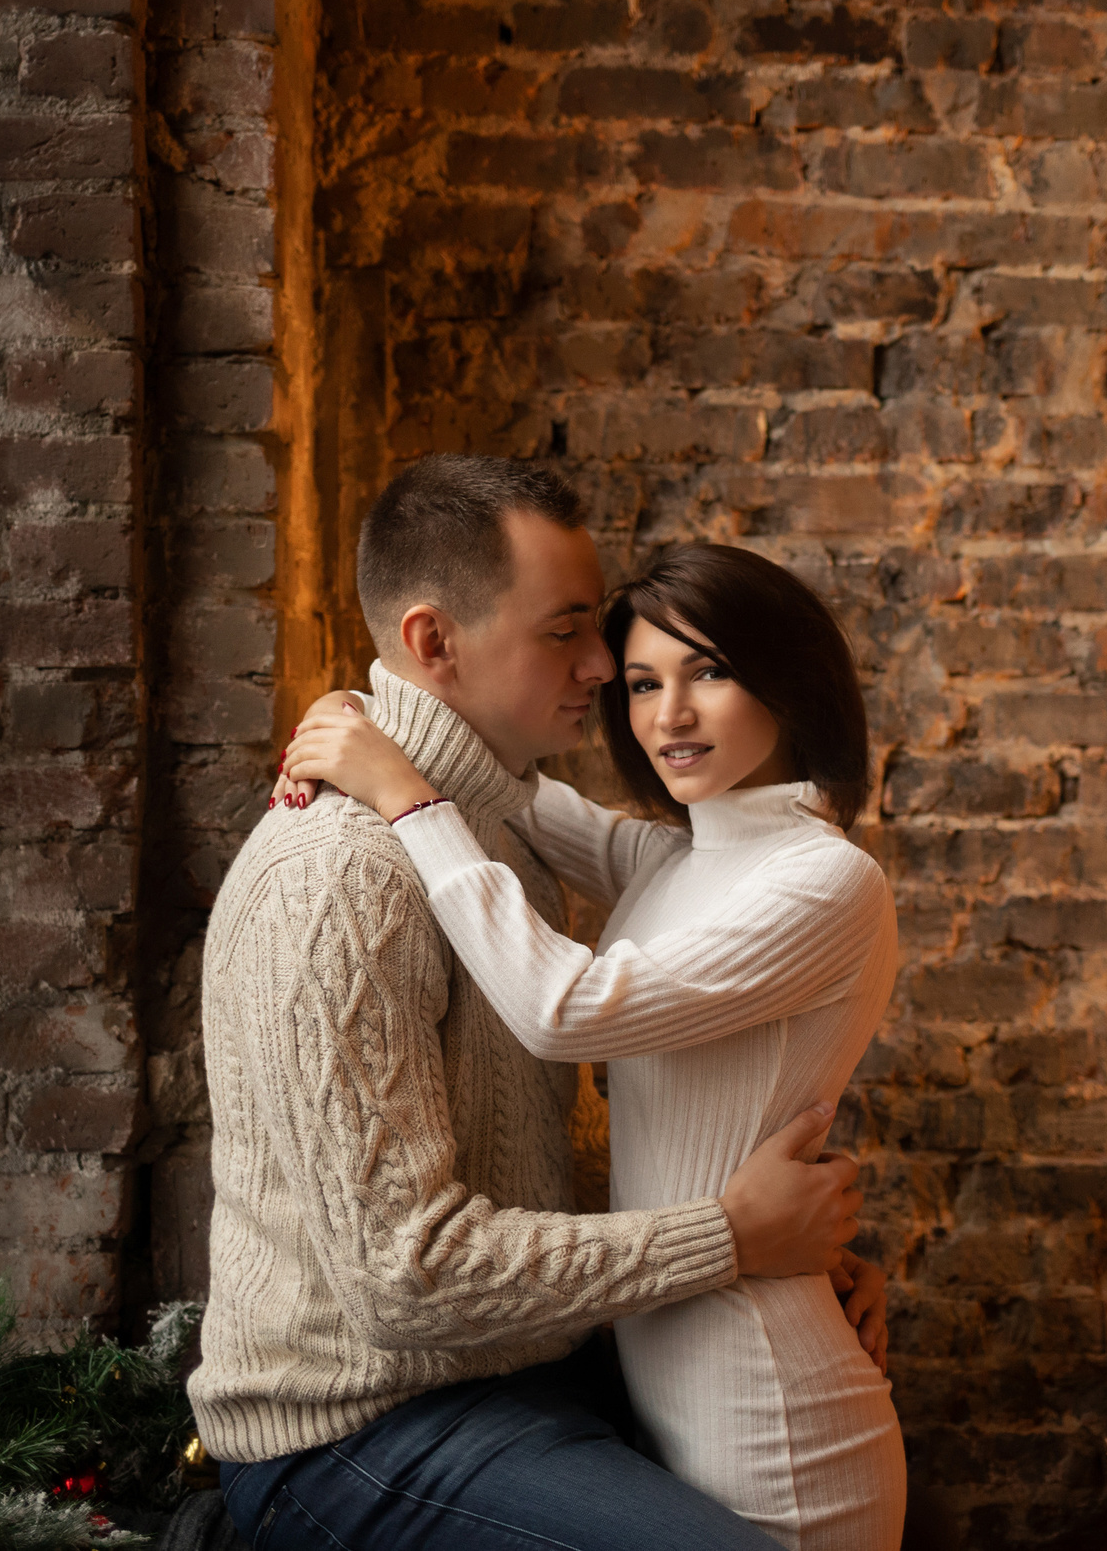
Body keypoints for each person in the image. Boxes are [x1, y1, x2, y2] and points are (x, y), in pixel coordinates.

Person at [191, 456, 877, 1551]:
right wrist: (727, 1235)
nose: (606, 669)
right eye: (567, 631)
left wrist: (796, 1239)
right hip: (357, 1427)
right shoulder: (342, 878)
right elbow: (404, 1280)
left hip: (512, 1364)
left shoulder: (490, 826)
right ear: (432, 643)